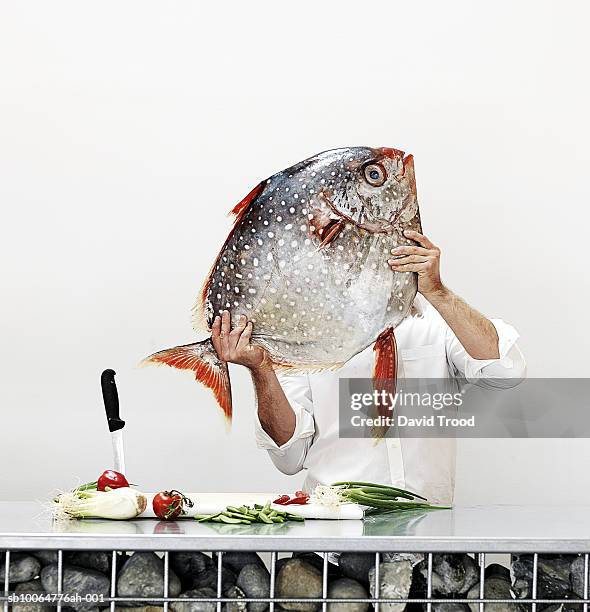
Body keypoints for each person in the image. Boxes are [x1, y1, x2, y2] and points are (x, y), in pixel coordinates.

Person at [210, 230, 526, 504]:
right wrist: (261, 368)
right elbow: (289, 458)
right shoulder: (302, 338)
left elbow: (506, 372)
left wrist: (438, 293)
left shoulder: (435, 321)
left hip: (427, 538)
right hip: (335, 539)